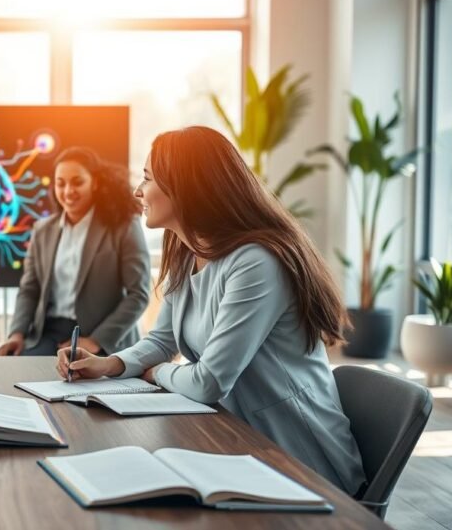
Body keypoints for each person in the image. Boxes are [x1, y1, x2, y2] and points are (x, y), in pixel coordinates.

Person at [57, 126, 365, 495]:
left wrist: (159, 373)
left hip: (301, 462)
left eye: (147, 178)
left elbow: (209, 382)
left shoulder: (256, 261)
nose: (138, 191)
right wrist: (109, 364)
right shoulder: (187, 253)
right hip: (236, 444)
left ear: (186, 187)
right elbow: (162, 338)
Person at [0, 147, 150, 357]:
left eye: (77, 182)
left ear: (95, 183)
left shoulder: (123, 226)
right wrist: (16, 333)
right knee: (21, 376)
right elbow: (29, 289)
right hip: (49, 333)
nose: (68, 191)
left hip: (102, 335)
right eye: (61, 183)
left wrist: (96, 341)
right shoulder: (43, 230)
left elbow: (138, 294)